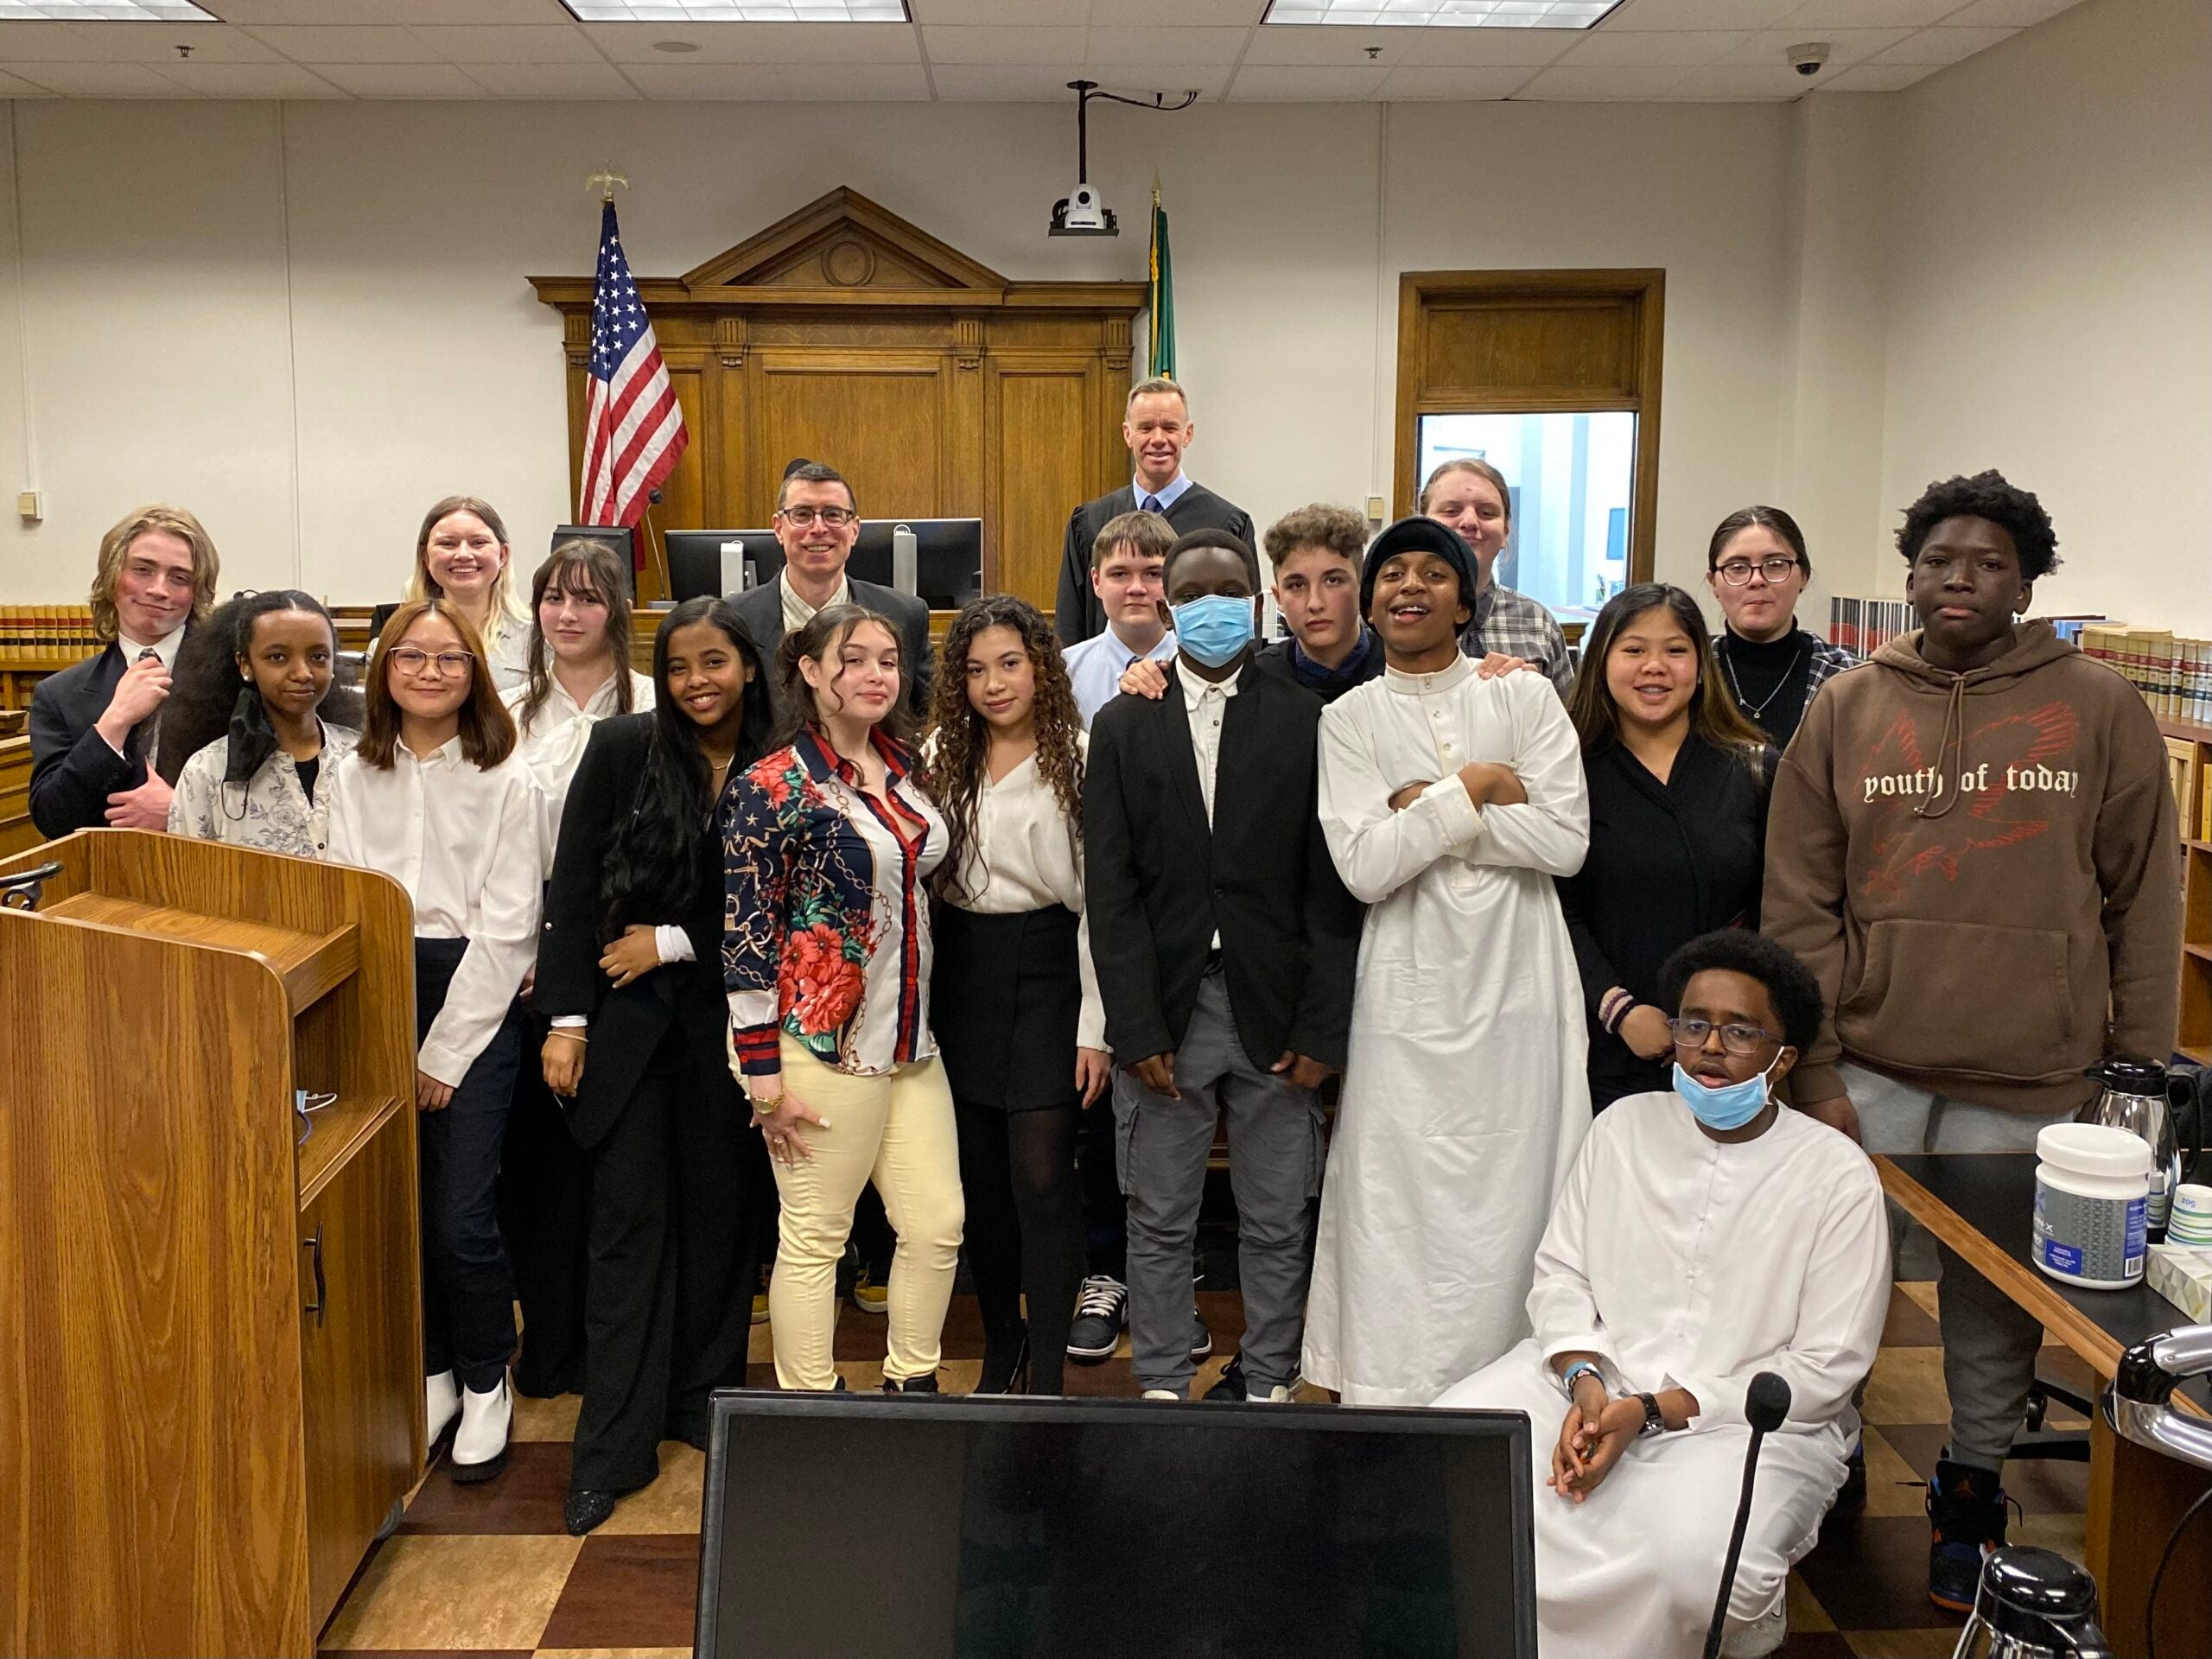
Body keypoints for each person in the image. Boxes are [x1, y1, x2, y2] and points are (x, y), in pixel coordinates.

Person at [1762, 469, 2181, 1611]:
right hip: (1873, 1069)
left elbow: (2146, 898)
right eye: (1940, 559)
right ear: (1908, 576)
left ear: (2028, 582)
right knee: (1833, 1288)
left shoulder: (2101, 709)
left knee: (1992, 1314)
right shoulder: (1848, 707)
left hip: (2035, 1078)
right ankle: (1823, 1463)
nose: (1960, 577)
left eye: (1988, 562)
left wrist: (2134, 1082)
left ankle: (1971, 1489)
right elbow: (1799, 898)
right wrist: (1817, 1065)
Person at [1435, 931, 1890, 1659]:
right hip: (1594, 1377)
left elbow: (1828, 1367)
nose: (1710, 1045)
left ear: (1785, 1061)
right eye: (1692, 1023)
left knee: (1698, 1569)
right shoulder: (1622, 1128)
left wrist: (1653, 1411)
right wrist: (1586, 1384)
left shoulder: (1836, 1176)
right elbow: (1561, 1275)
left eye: (1740, 1031)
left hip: (1745, 1421)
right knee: (1447, 1448)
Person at [1302, 515, 1591, 1408]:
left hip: (1520, 985)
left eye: (1433, 573)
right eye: (1391, 574)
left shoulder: (1525, 698)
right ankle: (1393, 1390)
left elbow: (1566, 840)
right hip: (1405, 989)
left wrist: (1420, 806)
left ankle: (1523, 1394)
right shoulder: (1346, 719)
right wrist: (1479, 785)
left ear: (1466, 600)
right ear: (1369, 599)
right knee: (1397, 1191)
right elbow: (1365, 867)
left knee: (1520, 1183)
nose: (1409, 587)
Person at [1084, 527, 1362, 1404]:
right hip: (1164, 1008)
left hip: (1275, 1009)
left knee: (1278, 1218)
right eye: (1192, 592)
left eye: (1228, 589)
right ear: (1169, 606)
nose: (1210, 605)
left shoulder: (1307, 716)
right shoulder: (1124, 721)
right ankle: (1164, 1383)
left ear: (1255, 600)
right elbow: (1112, 891)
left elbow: (1329, 889)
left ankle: (1271, 1380)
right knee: (1159, 1217)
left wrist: (1322, 1027)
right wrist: (1131, 1026)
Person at [538, 598, 775, 1535]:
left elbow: (791, 914)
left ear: (749, 667)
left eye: (713, 662)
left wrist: (676, 940)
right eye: (678, 667)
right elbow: (572, 885)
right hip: (627, 1029)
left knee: (721, 1225)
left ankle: (701, 1407)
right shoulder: (624, 747)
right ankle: (611, 1447)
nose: (695, 683)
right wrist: (566, 1019)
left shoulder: (787, 761)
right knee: (627, 1232)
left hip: (738, 1030)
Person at [325, 598, 540, 1482]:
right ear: (382, 670)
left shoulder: (506, 776)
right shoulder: (349, 772)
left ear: (474, 674)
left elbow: (509, 928)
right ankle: (436, 1371)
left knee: (460, 1215)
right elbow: (342, 899)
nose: (428, 671)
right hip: (375, 984)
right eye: (410, 656)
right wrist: (381, 1030)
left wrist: (443, 1054)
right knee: (398, 1204)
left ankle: (491, 1378)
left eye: (449, 659)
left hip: (472, 998)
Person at [722, 603, 961, 1394]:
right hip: (817, 1044)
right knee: (817, 1234)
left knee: (936, 1224)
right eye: (853, 660)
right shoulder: (773, 785)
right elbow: (747, 936)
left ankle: (912, 1386)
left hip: (911, 1042)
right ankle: (810, 1404)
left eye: (887, 661)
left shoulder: (909, 769)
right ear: (813, 673)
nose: (874, 675)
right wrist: (763, 1078)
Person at [927, 595, 1109, 1395]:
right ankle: (1003, 1339)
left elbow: (1103, 902)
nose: (994, 684)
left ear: (1040, 666)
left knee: (1040, 1176)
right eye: (975, 670)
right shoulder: (940, 754)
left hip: (1051, 967)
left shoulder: (1080, 753)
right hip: (962, 969)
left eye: (1010, 663)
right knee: (980, 1182)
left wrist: (1095, 1028)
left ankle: (1048, 1371)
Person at [499, 539, 654, 1400]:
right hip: (532, 949)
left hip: (630, 947)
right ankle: (551, 1344)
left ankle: (619, 1347)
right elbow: (503, 845)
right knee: (543, 1170)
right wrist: (534, 961)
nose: (568, 614)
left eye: (587, 599)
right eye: (554, 598)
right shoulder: (511, 711)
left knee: (620, 1165)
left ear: (616, 611)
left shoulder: (655, 702)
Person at [1557, 584, 1775, 1110]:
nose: (1655, 666)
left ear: (1701, 666)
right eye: (1633, 650)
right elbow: (1558, 912)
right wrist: (1622, 1010)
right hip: (1604, 1049)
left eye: (1675, 650)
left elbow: (1781, 908)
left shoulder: (1754, 768)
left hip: (1731, 1054)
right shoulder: (1566, 773)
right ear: (1600, 663)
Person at [29, 503, 220, 837]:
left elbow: (279, 805)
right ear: (111, 575)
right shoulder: (58, 695)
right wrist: (112, 723)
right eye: (143, 570)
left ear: (197, 591)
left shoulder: (235, 678)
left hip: (215, 876)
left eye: (179, 577)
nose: (159, 589)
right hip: (106, 879)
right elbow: (53, 819)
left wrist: (182, 811)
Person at [1116, 502, 1384, 710]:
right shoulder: (1252, 678)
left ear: (1362, 586)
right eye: (1296, 585)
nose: (1315, 603)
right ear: (1277, 597)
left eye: (1333, 580)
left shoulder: (1397, 668)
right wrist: (1147, 676)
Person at [1054, 378, 1255, 645]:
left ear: (1188, 434)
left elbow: (1242, 625)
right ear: (1128, 434)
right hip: (1106, 681)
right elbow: (1070, 625)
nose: (1158, 439)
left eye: (1170, 427)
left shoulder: (1226, 525)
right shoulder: (1089, 522)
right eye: (1146, 427)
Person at [728, 461, 931, 720]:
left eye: (833, 514)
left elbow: (926, 718)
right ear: (779, 528)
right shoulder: (735, 620)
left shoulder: (905, 615)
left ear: (854, 530)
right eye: (802, 514)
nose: (819, 528)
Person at [163, 590, 360, 857]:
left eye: (318, 657)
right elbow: (189, 880)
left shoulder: (362, 757)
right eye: (278, 657)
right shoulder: (206, 772)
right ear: (245, 664)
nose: (303, 673)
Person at [1705, 506, 1857, 750]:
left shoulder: (1847, 677)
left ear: (1804, 576)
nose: (1756, 580)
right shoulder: (1692, 671)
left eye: (1775, 564)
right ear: (1714, 583)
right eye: (1737, 567)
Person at [1418, 458, 1573, 692]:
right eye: (1451, 511)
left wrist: (1535, 699)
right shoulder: (1390, 619)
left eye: (1487, 513)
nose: (1469, 522)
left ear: (1505, 533)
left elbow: (1569, 724)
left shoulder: (1538, 623)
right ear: (1421, 526)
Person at [1060, 509, 1179, 726]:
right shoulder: (1064, 673)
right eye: (1119, 574)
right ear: (1096, 582)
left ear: (1175, 579)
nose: (1136, 588)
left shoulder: (1197, 666)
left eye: (1153, 574)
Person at [404, 496, 533, 695]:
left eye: (478, 542)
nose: (463, 554)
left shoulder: (538, 640)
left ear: (503, 555)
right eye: (448, 544)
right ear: (425, 557)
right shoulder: (397, 641)